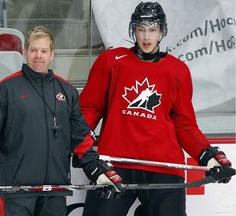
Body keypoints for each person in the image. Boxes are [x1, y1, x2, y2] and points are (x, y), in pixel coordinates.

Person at [80, 2, 232, 216]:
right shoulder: (111, 62)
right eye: (141, 29)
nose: (146, 37)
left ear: (161, 31)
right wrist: (82, 148)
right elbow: (89, 109)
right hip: (115, 163)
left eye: (152, 30)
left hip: (164, 166)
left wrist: (208, 155)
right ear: (134, 29)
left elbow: (185, 124)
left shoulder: (177, 70)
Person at [0, 26, 124, 216]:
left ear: (52, 54)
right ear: (25, 53)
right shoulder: (7, 88)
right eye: (33, 50)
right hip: (17, 191)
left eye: (44, 51)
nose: (38, 55)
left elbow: (80, 138)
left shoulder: (67, 91)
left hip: (55, 190)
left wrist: (97, 170)